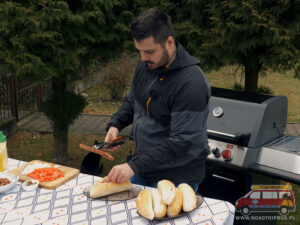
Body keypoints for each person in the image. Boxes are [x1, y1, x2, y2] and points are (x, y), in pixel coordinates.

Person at [104, 8, 211, 192]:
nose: (143, 58)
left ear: (169, 42)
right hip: (144, 168)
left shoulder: (191, 83)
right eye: (139, 51)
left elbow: (181, 141)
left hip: (177, 177)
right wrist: (115, 124)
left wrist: (133, 166)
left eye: (149, 51)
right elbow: (133, 101)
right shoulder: (146, 65)